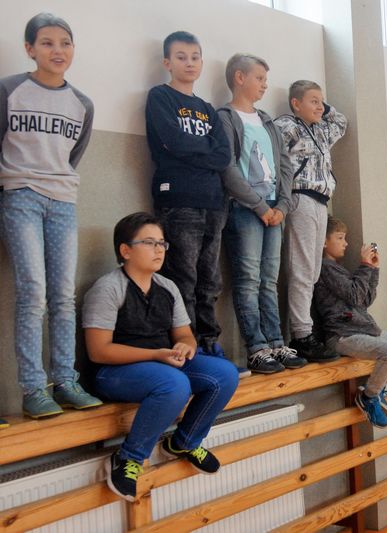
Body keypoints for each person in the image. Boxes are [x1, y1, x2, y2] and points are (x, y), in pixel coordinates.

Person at [83, 213, 238, 502]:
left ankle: (183, 442)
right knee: (175, 383)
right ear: (125, 250)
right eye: (149, 243)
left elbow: (185, 335)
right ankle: (128, 458)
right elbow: (99, 350)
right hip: (114, 372)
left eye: (162, 243)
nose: (159, 249)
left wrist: (185, 347)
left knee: (225, 374)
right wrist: (157, 354)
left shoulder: (167, 286)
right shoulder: (108, 288)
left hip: (162, 364)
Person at [0, 13, 102, 418]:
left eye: (65, 43)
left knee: (63, 295)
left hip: (62, 200)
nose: (57, 50)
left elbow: (72, 156)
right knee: (33, 292)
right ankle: (32, 389)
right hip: (20, 196)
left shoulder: (82, 103)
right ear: (30, 49)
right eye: (47, 43)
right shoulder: (9, 90)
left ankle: (65, 381)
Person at [146, 31, 232, 364]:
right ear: (167, 62)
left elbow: (223, 155)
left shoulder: (207, 109)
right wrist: (204, 149)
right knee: (183, 278)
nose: (189, 63)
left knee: (209, 281)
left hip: (213, 203)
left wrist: (195, 150)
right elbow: (172, 141)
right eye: (181, 57)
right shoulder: (160, 97)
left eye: (195, 57)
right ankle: (187, 345)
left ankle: (209, 342)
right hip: (178, 200)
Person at [217, 53, 305, 375]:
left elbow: (284, 166)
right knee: (248, 279)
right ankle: (256, 347)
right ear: (239, 78)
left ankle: (276, 342)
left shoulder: (267, 121)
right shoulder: (225, 117)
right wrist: (259, 206)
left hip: (274, 212)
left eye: (266, 80)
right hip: (245, 210)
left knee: (269, 280)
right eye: (259, 78)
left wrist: (282, 206)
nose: (265, 85)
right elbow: (227, 168)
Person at [314, 217, 387, 428]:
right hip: (342, 335)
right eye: (340, 238)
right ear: (323, 242)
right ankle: (368, 397)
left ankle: (377, 390)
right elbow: (355, 296)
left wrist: (373, 270)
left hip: (362, 330)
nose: (346, 243)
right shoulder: (325, 268)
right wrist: (365, 266)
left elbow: (365, 300)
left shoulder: (338, 268)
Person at [275, 80, 347, 361]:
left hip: (321, 200)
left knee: (313, 271)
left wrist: (324, 108)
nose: (319, 106)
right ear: (296, 103)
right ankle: (301, 334)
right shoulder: (287, 126)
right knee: (302, 269)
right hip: (300, 197)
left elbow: (341, 122)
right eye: (313, 101)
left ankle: (305, 329)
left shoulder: (321, 130)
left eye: (321, 101)